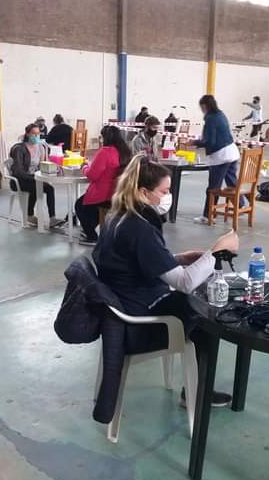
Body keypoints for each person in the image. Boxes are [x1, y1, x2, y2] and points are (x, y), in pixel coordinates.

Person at [93, 155, 238, 407]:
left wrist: (178, 258)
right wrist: (216, 251)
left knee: (197, 304)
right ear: (143, 192)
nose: (168, 196)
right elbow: (185, 282)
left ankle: (196, 387)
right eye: (164, 191)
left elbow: (134, 262)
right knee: (207, 314)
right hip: (141, 322)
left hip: (124, 306)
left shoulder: (117, 217)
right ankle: (198, 393)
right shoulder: (139, 228)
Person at [74, 125, 131, 246]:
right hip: (119, 193)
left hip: (103, 194)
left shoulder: (105, 152)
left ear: (105, 137)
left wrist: (84, 167)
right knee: (92, 210)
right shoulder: (125, 152)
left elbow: (93, 175)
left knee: (79, 205)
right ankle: (89, 229)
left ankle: (91, 236)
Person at [193, 95, 241, 225]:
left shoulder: (210, 119)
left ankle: (208, 215)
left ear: (204, 106)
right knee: (232, 183)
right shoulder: (221, 114)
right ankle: (240, 205)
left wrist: (194, 143)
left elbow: (210, 141)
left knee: (213, 188)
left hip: (221, 156)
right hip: (232, 153)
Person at [9, 123, 62, 227]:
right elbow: (18, 172)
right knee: (36, 186)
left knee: (50, 188)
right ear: (27, 134)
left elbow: (42, 166)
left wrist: (52, 169)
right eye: (34, 134)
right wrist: (34, 178)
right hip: (20, 180)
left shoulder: (40, 148)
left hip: (35, 178)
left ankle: (52, 219)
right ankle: (30, 215)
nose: (36, 136)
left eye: (38, 134)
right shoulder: (20, 149)